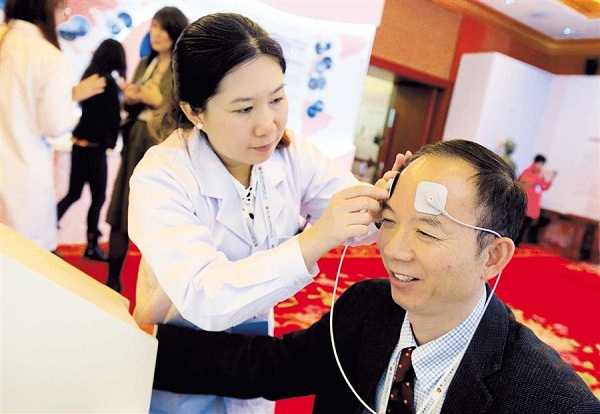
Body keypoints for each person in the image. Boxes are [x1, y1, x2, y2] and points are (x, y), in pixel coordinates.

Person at [140, 139, 600, 414]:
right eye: (390, 221)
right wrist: (138, 344)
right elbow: (267, 367)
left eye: (427, 231)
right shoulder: (367, 310)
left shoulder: (551, 400)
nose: (395, 250)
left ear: (493, 256)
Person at [128, 12, 404, 414]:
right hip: (178, 359)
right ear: (194, 112)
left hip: (252, 361)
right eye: (243, 110)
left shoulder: (291, 155)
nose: (267, 126)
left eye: (276, 99)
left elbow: (353, 214)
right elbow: (205, 299)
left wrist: (385, 199)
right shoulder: (162, 175)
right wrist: (313, 240)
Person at [0, 0, 107, 253]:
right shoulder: (48, 56)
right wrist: (71, 102)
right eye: (62, 7)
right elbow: (54, 124)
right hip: (22, 176)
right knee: (24, 264)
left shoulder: (5, 40)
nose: (65, 14)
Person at [104, 6, 188, 292]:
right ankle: (112, 279)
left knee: (159, 214)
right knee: (122, 206)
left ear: (175, 32)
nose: (156, 33)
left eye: (163, 28)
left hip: (162, 144)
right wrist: (131, 96)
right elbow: (135, 101)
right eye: (153, 26)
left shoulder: (183, 69)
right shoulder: (144, 64)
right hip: (136, 139)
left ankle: (159, 287)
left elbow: (179, 110)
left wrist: (155, 99)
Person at [56, 39, 127, 261]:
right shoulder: (108, 83)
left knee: (73, 193)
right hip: (95, 150)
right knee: (98, 198)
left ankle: (47, 229)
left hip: (79, 146)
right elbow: (113, 118)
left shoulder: (90, 77)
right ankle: (92, 245)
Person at [515, 154, 557, 246]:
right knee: (520, 224)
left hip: (532, 205)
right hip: (525, 202)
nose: (542, 166)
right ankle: (515, 240)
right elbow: (523, 183)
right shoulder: (527, 172)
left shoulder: (540, 175)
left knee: (526, 225)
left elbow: (544, 187)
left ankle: (518, 241)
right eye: (541, 164)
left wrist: (550, 179)